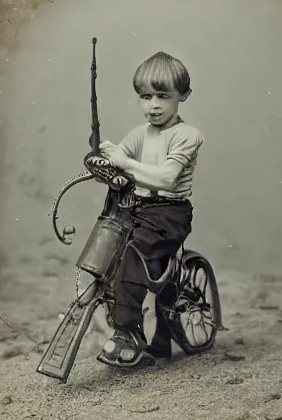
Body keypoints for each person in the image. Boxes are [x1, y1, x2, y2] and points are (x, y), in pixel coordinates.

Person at [97, 50, 204, 367]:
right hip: (138, 208)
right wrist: (104, 161)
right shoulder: (138, 134)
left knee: (134, 254)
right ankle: (119, 319)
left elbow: (167, 179)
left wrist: (124, 162)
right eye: (145, 96)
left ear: (182, 95)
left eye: (162, 95)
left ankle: (127, 333)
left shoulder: (187, 135)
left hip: (168, 214)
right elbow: (117, 164)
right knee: (107, 245)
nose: (153, 105)